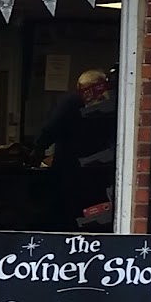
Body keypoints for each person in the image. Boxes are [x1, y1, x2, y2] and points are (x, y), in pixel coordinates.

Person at [37, 68, 116, 228]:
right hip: (100, 172)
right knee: (94, 215)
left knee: (66, 216)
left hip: (69, 169)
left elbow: (51, 129)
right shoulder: (113, 106)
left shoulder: (71, 102)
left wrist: (36, 150)